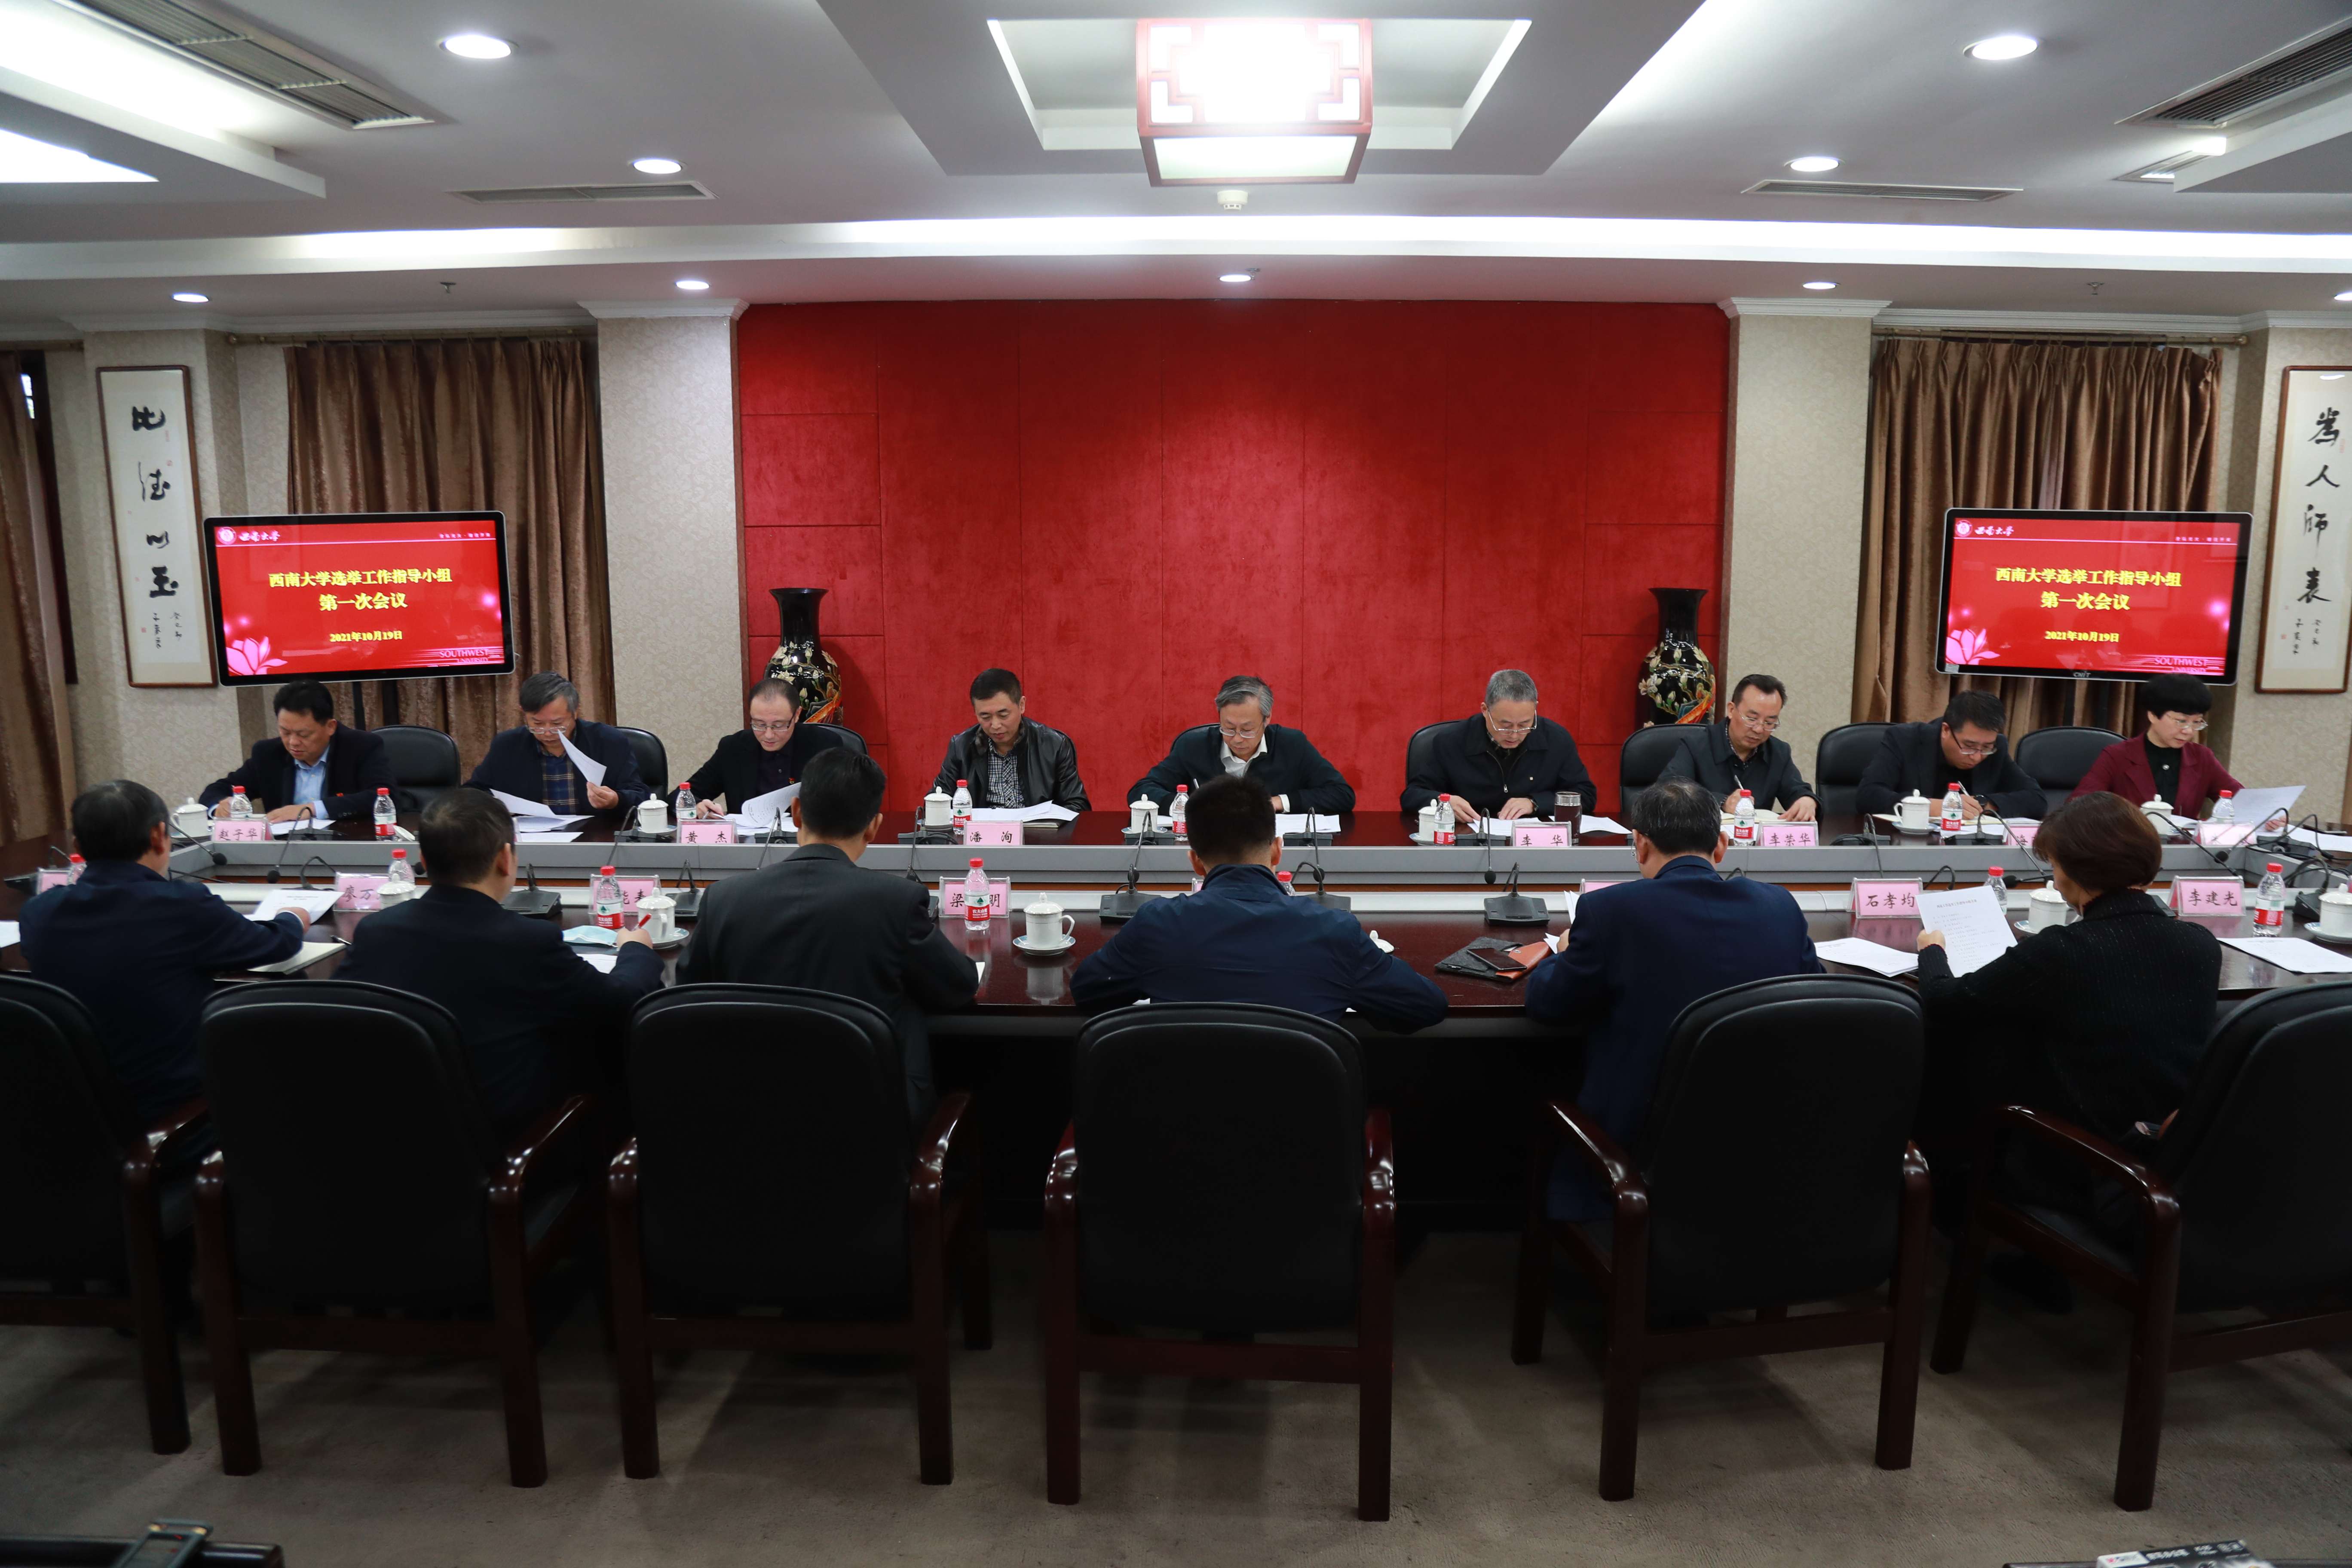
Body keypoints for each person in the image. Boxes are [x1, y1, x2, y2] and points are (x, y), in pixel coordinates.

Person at [1522, 776, 1822, 1220]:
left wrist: (1565, 953)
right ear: (1721, 846)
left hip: (1638, 1155)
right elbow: (1814, 998)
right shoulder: (1780, 907)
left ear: (1640, 845)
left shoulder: (1611, 911)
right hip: (1761, 1151)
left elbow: (1547, 1005)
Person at [336, 788, 665, 1139]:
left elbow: (338, 1012)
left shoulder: (375, 931)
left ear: (424, 861)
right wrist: (636, 949)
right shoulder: (527, 940)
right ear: (505, 859)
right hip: (503, 1140)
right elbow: (620, 1003)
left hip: (392, 1131)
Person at [1914, 791, 2220, 1162]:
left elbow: (1944, 1001)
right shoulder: (2201, 943)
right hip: (2172, 1155)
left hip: (2086, 1161)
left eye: (2056, 866)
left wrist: (1932, 950)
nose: (2056, 882)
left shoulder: (2064, 950)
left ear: (2076, 871)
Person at [678, 748, 976, 1117]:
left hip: (749, 1117)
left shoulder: (723, 899)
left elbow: (686, 996)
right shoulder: (896, 902)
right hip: (868, 1121)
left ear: (796, 812)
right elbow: (959, 986)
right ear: (874, 827)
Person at [18, 779, 309, 1121]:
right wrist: (293, 917)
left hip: (75, 1111)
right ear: (159, 835)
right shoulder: (181, 906)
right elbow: (274, 944)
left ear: (78, 845)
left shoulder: (39, 912)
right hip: (174, 1105)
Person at [1072, 774, 1447, 1030]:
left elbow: (1087, 991)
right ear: (1278, 851)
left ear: (1195, 861)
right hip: (1302, 1126)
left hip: (1182, 1122)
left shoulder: (1156, 925)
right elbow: (1427, 1007)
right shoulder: (1334, 931)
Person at [1130, 675, 1355, 815]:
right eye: (1228, 728)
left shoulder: (1292, 745)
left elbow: (1341, 794)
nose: (1237, 739)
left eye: (1247, 730)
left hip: (1271, 851)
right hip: (1209, 849)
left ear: (1267, 719)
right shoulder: (1194, 746)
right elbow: (1141, 791)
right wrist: (1185, 806)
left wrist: (1278, 802)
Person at [1400, 669, 1597, 822]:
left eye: (1525, 724)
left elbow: (1586, 796)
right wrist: (1445, 801)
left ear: (1535, 709)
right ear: (1485, 710)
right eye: (1505, 726)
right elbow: (1412, 796)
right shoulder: (1451, 741)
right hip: (1468, 841)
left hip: (1535, 844)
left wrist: (1535, 803)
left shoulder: (1556, 739)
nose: (1515, 735)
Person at [199, 679, 396, 823]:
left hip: (346, 847)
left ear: (331, 727)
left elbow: (385, 797)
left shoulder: (361, 746)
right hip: (284, 853)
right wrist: (220, 807)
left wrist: (311, 809)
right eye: (285, 732)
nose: (293, 742)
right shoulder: (268, 753)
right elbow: (216, 791)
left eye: (303, 734)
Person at [463, 671, 649, 818]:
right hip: (530, 841)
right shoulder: (507, 745)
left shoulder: (608, 741)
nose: (547, 732)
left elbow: (641, 796)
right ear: (523, 713)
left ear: (575, 712)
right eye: (537, 723)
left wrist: (616, 800)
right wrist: (496, 806)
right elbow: (475, 791)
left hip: (597, 840)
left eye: (557, 724)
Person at [1855, 689, 2044, 823]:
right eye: (1969, 747)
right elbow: (1869, 796)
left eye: (1986, 747)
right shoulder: (1904, 740)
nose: (1977, 757)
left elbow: (2036, 799)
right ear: (1946, 730)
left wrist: (1982, 804)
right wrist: (1936, 807)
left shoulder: (1997, 748)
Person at [2071, 673, 2242, 817]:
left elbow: (2241, 801)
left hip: (2184, 845)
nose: (2189, 731)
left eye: (2197, 722)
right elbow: (2078, 807)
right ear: (2153, 715)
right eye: (2181, 721)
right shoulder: (2117, 756)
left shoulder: (2202, 758)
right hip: (2129, 844)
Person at [1658, 672, 1819, 822]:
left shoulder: (1778, 752)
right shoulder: (1696, 745)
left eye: (1769, 723)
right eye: (1752, 719)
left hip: (1754, 842)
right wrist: (1722, 802)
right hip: (1704, 839)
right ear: (1731, 710)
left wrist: (1807, 800)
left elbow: (1796, 790)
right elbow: (1669, 789)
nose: (1759, 729)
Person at [932, 668, 1090, 814]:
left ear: (1021, 705)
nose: (995, 725)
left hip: (1037, 833)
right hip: (981, 834)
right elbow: (937, 803)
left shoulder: (1054, 745)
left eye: (1003, 715)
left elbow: (1078, 805)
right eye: (985, 717)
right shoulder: (961, 747)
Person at [683, 677, 843, 815]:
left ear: (796, 715)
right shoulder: (733, 748)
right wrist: (696, 807)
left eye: (779, 725)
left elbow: (847, 804)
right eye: (759, 724)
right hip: (748, 841)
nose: (768, 735)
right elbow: (682, 796)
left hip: (806, 839)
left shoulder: (824, 745)